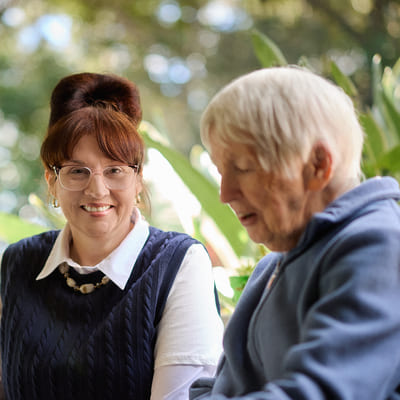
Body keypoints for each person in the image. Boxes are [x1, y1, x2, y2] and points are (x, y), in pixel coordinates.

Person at [0, 72, 224, 400]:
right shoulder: (18, 262)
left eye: (115, 170)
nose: (97, 189)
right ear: (51, 180)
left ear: (138, 179)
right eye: (77, 171)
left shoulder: (179, 263)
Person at [189, 66, 400, 400]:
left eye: (243, 168)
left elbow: (321, 393)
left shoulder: (381, 247)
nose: (225, 194)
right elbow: (218, 388)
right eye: (220, 173)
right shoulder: (271, 265)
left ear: (317, 165)